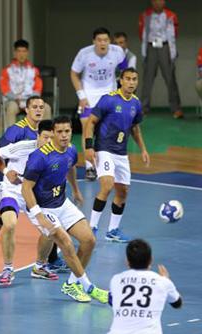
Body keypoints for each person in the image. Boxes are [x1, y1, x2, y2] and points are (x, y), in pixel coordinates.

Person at [0, 96, 67, 282]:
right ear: (26, 110)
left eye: (41, 107)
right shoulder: (17, 132)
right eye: (34, 107)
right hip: (8, 185)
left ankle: (48, 261)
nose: (38, 110)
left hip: (29, 190)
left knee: (49, 223)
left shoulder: (49, 137)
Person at [22, 115, 109, 303]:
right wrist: (39, 215)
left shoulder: (71, 150)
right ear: (52, 133)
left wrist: (76, 190)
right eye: (59, 132)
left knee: (89, 240)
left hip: (61, 203)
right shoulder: (39, 157)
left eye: (67, 131)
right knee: (66, 242)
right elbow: (25, 188)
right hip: (41, 208)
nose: (64, 136)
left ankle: (71, 284)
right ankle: (89, 287)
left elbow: (69, 168)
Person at [84, 68, 149, 242]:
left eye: (134, 79)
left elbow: (135, 128)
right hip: (104, 148)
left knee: (123, 191)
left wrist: (143, 149)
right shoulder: (109, 99)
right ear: (121, 80)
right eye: (128, 79)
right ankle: (92, 227)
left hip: (121, 152)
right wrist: (88, 147)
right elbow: (90, 123)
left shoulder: (136, 103)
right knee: (107, 186)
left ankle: (112, 231)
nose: (131, 82)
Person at [70, 27, 127, 181]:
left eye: (106, 40)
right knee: (87, 128)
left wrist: (122, 92)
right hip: (89, 96)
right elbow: (74, 74)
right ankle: (90, 167)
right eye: (99, 40)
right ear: (94, 41)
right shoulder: (84, 54)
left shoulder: (117, 52)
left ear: (110, 41)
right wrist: (81, 96)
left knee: (110, 131)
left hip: (109, 95)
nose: (103, 43)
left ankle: (109, 165)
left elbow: (125, 71)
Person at [107, 239, 182, 334]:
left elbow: (112, 301)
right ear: (151, 260)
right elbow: (177, 304)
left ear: (127, 261)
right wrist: (167, 281)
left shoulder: (116, 280)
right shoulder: (162, 282)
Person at [139, 0, 183, 119]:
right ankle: (143, 108)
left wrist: (173, 53)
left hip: (165, 46)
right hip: (150, 46)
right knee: (147, 79)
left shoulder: (170, 15)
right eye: (155, 1)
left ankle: (176, 108)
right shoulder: (145, 15)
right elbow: (143, 33)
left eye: (160, 1)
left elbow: (173, 35)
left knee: (170, 78)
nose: (157, 3)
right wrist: (143, 52)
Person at [0, 39, 52, 128]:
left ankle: (44, 137)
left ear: (27, 53)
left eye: (24, 51)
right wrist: (16, 98)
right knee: (11, 108)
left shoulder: (34, 70)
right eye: (19, 51)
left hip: (31, 101)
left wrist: (31, 101)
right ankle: (11, 139)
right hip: (14, 101)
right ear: (15, 53)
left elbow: (38, 89)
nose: (21, 54)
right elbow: (5, 89)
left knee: (46, 108)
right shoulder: (6, 70)